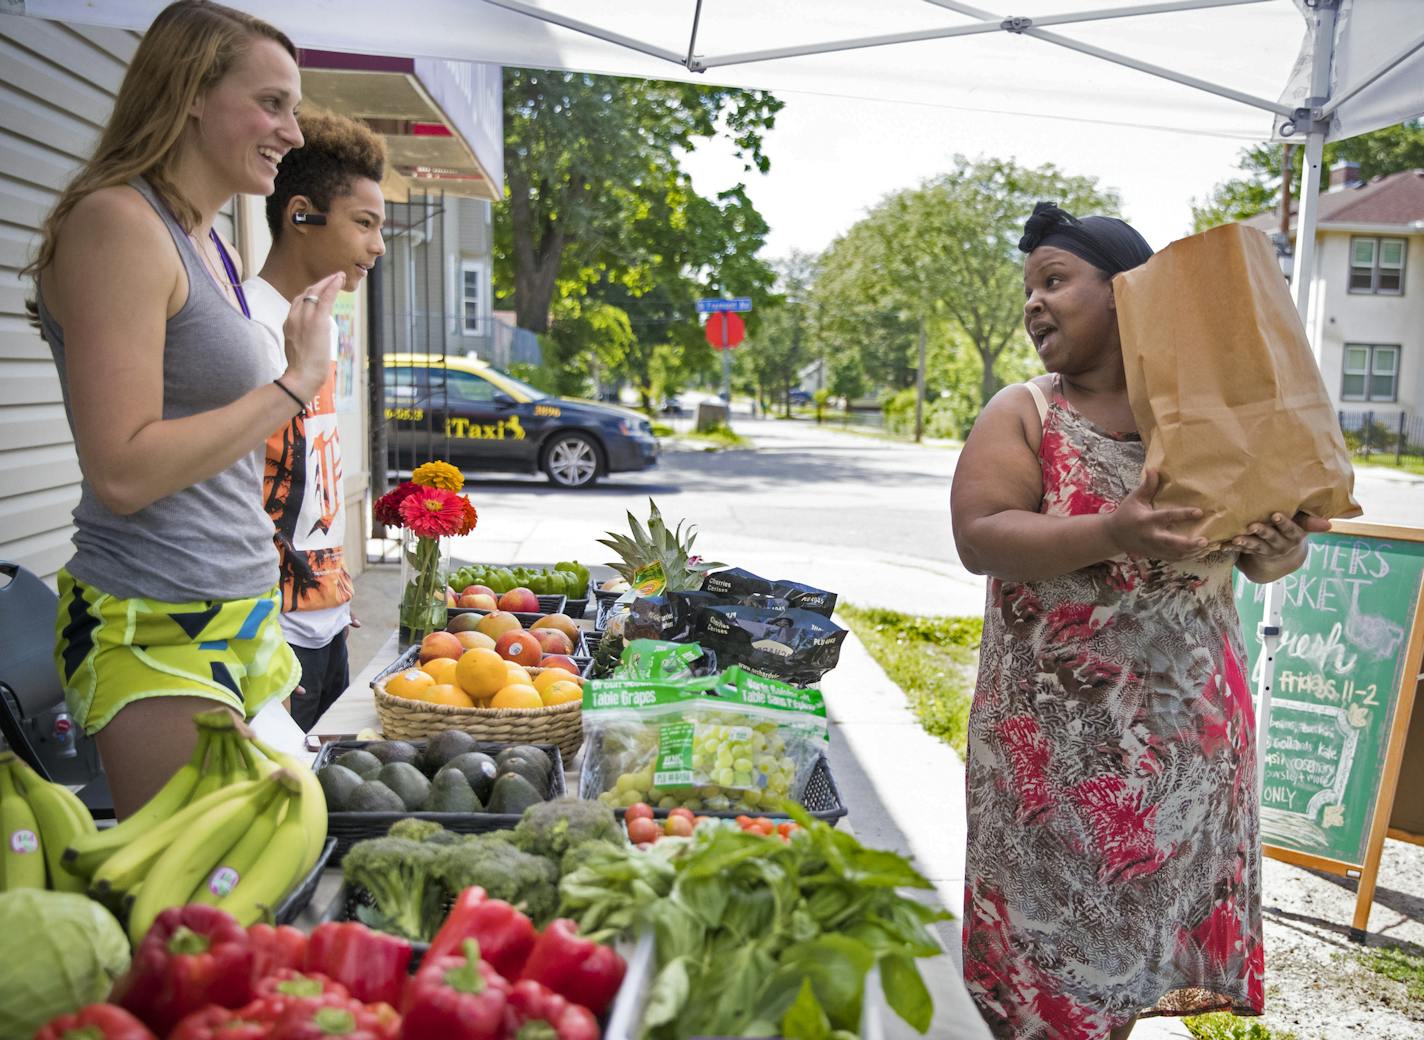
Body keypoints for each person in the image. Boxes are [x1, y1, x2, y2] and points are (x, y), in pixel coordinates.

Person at [950, 201, 1330, 1040]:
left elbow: (1260, 562)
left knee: (1130, 974)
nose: (1033, 304)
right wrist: (1111, 529)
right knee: (1044, 980)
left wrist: (1278, 542)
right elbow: (981, 537)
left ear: (1129, 294)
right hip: (1050, 762)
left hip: (1188, 756)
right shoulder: (1026, 413)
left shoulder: (1209, 421)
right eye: (1028, 289)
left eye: (1055, 281)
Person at [26, 0, 342, 817]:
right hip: (157, 624)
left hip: (239, 609)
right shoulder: (117, 225)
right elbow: (125, 470)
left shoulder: (209, 240)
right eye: (270, 103)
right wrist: (292, 386)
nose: (293, 132)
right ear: (191, 93)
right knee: (201, 916)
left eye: (293, 108)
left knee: (266, 886)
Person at [244, 110, 386, 732]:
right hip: (271, 633)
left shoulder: (320, 325)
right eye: (365, 223)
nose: (378, 246)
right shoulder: (248, 330)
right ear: (300, 214)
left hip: (327, 619)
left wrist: (334, 588)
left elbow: (311, 479)